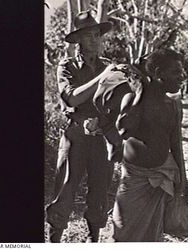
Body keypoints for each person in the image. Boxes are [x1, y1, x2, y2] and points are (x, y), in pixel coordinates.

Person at [46, 10, 118, 243]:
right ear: (77, 40)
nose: (95, 40)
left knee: (99, 191)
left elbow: (117, 104)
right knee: (65, 188)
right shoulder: (66, 67)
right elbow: (71, 98)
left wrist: (104, 123)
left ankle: (93, 237)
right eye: (89, 36)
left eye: (97, 35)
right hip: (74, 136)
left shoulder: (107, 67)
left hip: (101, 137)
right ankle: (54, 238)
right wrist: (104, 77)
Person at [109, 48, 188, 241]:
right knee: (123, 227)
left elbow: (176, 144)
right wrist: (141, 91)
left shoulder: (173, 105)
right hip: (134, 178)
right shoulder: (133, 100)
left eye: (182, 71)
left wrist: (182, 180)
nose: (182, 76)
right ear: (159, 73)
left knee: (151, 234)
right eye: (176, 72)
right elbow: (124, 129)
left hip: (159, 177)